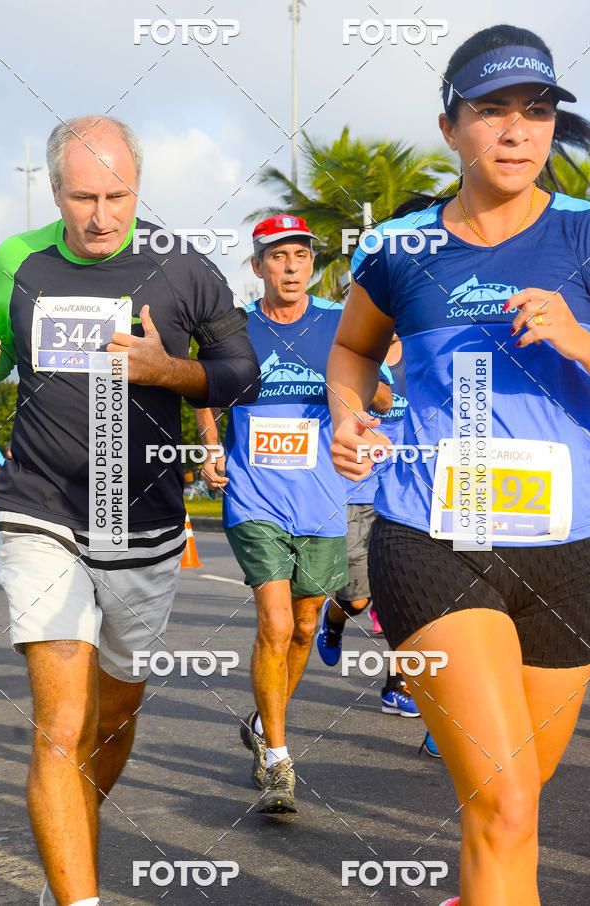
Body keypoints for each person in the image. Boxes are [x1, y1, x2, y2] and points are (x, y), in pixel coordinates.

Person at [327, 25, 590, 906]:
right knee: (507, 805)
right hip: (434, 536)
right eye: (492, 112)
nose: (516, 131)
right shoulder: (400, 247)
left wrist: (578, 337)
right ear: (451, 128)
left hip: (569, 549)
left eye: (537, 111)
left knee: (512, 806)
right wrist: (349, 413)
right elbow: (354, 349)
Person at [0, 115, 259, 906]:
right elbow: (0, 358)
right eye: (82, 198)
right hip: (41, 513)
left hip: (140, 522)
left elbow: (238, 372)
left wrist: (167, 369)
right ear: (54, 192)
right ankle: (78, 896)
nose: (101, 216)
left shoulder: (182, 267)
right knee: (61, 721)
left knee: (113, 716)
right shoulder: (17, 261)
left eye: (117, 196)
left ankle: (74, 833)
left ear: (139, 189)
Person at [198, 215, 349, 813]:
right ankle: (279, 757)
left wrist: (366, 399)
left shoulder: (341, 324)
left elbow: (379, 389)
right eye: (278, 257)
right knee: (276, 623)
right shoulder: (235, 330)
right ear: (257, 266)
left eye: (301, 256)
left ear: (312, 265)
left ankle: (264, 724)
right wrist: (212, 448)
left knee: (307, 625)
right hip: (254, 497)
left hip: (323, 498)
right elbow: (209, 391)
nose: (291, 267)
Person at [316, 335, 421, 718]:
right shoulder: (351, 353)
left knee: (404, 597)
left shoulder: (423, 350)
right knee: (358, 600)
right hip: (357, 491)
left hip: (409, 493)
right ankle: (333, 622)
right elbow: (382, 401)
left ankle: (397, 687)